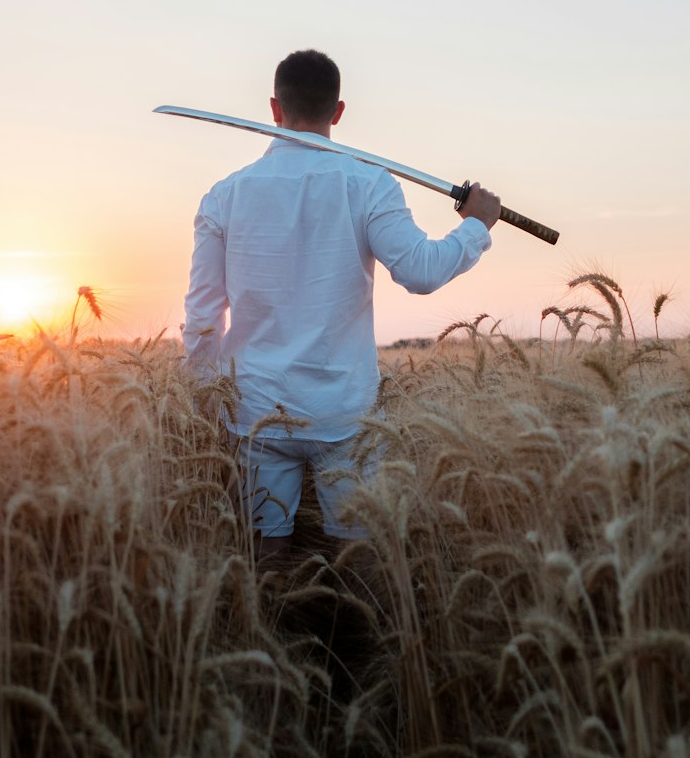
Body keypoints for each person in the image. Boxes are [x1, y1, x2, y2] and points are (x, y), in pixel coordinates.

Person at [182, 49, 501, 561]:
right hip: (346, 412)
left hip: (257, 408)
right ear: (338, 111)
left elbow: (202, 313)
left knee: (267, 549)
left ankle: (273, 638)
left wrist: (204, 398)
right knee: (359, 551)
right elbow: (421, 270)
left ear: (272, 106)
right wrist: (476, 224)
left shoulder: (224, 196)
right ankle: (361, 638)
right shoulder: (369, 183)